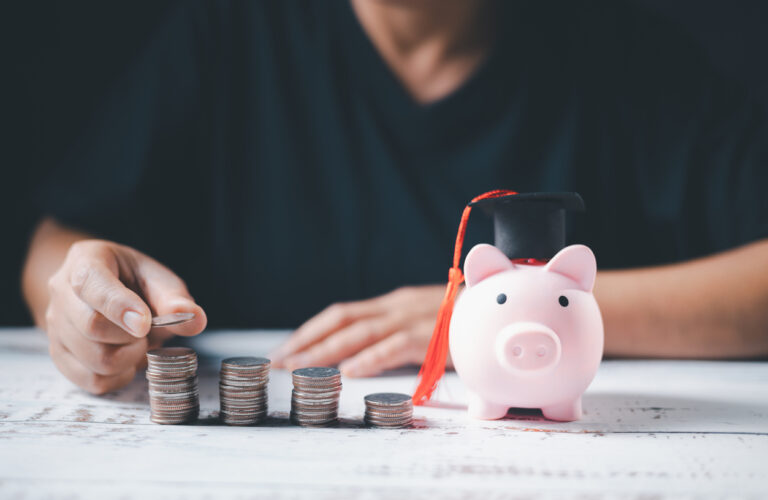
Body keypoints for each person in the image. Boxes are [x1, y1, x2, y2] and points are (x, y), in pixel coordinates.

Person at [22, 0, 768, 395]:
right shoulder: (225, 30)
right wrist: (85, 301)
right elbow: (63, 244)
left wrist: (479, 315)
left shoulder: (625, 56)